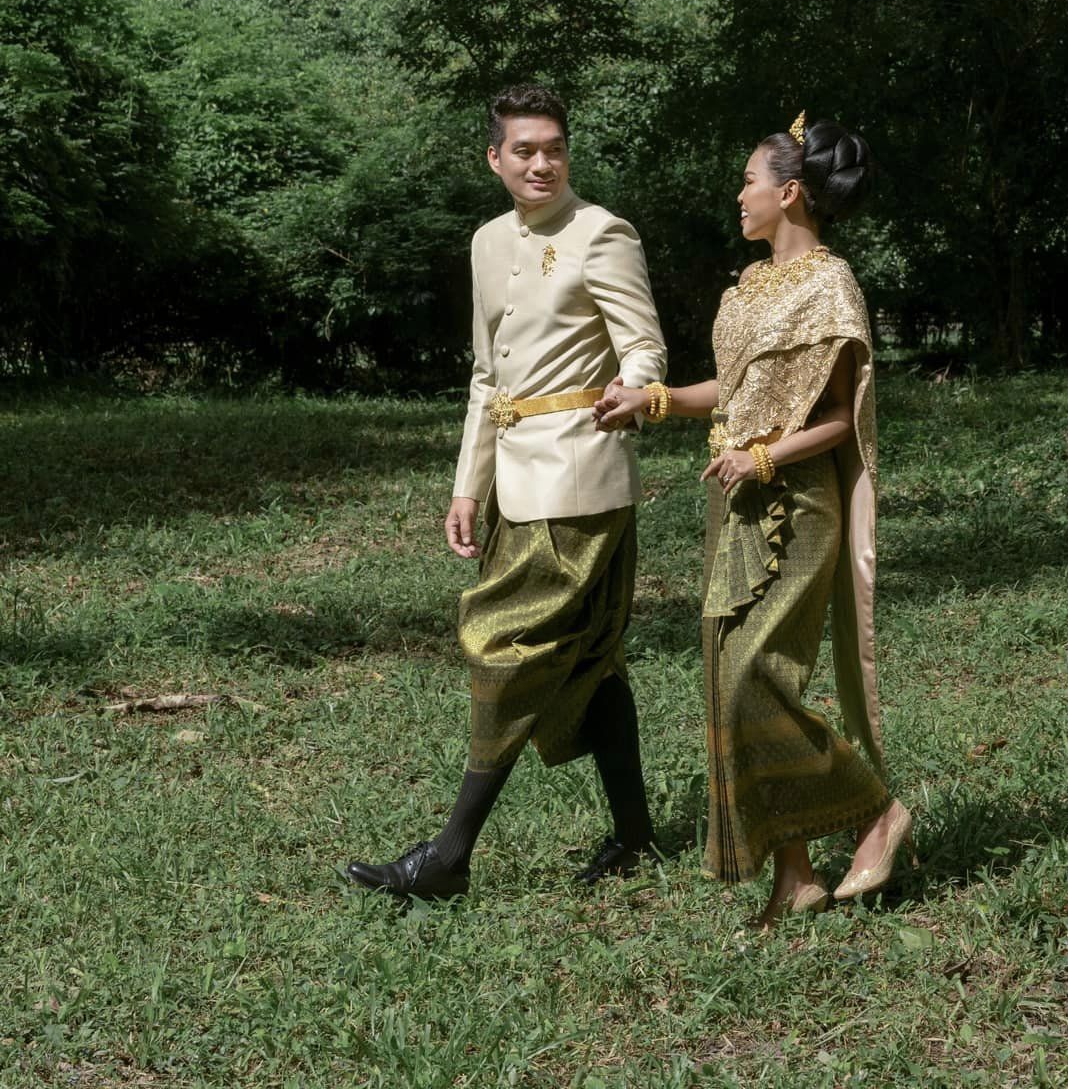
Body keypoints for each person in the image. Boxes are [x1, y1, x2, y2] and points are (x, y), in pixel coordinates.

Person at [346, 83, 667, 903]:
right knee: (589, 661)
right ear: (495, 158)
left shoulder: (603, 232)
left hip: (580, 477)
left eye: (554, 148)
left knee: (503, 645)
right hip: (513, 481)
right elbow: (487, 377)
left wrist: (634, 390)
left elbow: (644, 346)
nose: (541, 163)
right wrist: (468, 486)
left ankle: (448, 857)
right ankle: (637, 837)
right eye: (524, 150)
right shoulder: (487, 241)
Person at [596, 113, 911, 926]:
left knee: (752, 680)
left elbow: (840, 418)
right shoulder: (748, 284)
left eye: (748, 181)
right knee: (724, 680)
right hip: (733, 501)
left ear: (790, 192)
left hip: (797, 506)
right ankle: (795, 877)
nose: (739, 195)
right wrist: (653, 400)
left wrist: (764, 458)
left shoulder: (831, 286)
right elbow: (730, 395)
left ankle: (877, 811)